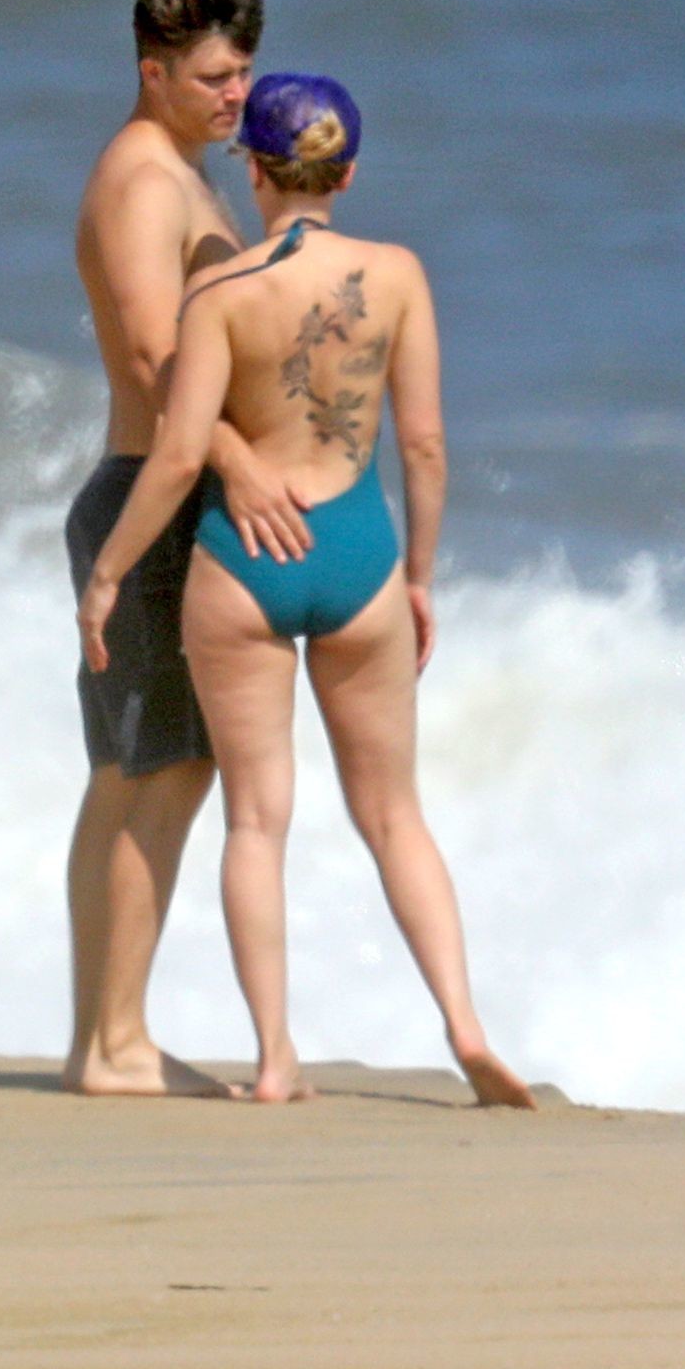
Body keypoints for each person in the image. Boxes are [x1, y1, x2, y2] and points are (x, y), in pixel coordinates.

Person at [78, 72, 536, 1109]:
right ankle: (466, 1029)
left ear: (251, 169)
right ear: (348, 173)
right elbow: (424, 445)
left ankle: (277, 1058)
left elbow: (179, 453)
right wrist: (418, 576)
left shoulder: (218, 295)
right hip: (358, 555)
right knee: (395, 817)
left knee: (255, 822)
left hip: (243, 563)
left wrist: (107, 575)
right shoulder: (399, 274)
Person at [63, 0, 317, 1098]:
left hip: (166, 489)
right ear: (151, 70)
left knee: (153, 769)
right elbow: (152, 355)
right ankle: (112, 1044)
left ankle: (110, 1035)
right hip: (145, 491)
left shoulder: (181, 171)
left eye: (243, 71)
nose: (234, 94)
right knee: (151, 770)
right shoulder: (139, 180)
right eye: (212, 76)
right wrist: (237, 463)